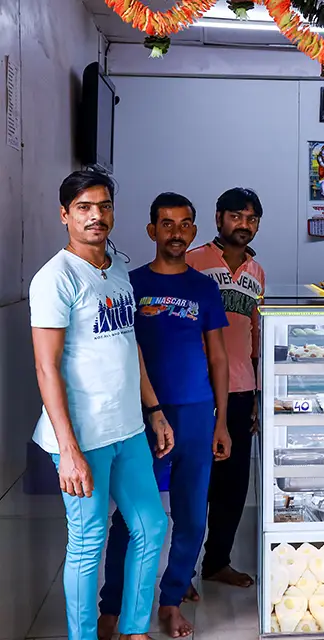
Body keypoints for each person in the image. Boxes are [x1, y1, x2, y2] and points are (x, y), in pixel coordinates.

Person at [29, 171, 174, 640]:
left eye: (104, 206)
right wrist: (67, 451)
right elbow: (47, 368)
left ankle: (134, 630)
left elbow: (129, 344)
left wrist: (153, 410)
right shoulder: (55, 278)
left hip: (127, 428)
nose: (96, 215)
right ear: (65, 215)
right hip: (82, 435)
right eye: (85, 207)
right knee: (88, 542)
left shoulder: (116, 268)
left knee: (151, 527)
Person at [98, 193, 232, 638]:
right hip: (142, 416)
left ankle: (171, 599)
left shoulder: (203, 287)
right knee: (133, 517)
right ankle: (112, 606)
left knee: (193, 516)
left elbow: (218, 358)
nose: (176, 232)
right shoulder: (128, 284)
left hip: (196, 413)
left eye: (185, 224)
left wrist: (221, 420)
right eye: (167, 224)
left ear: (194, 231)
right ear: (152, 230)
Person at [187, 187, 266, 588]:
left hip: (239, 390)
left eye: (252, 219)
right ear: (219, 219)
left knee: (233, 486)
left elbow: (255, 336)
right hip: (196, 389)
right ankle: (181, 572)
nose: (244, 225)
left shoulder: (256, 272)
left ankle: (216, 562)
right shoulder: (194, 261)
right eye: (237, 217)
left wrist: (256, 395)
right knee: (195, 483)